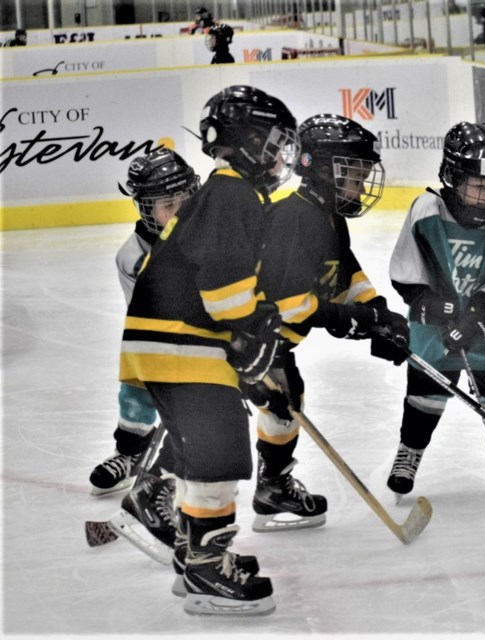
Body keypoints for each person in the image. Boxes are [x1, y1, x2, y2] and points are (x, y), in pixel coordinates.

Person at [120, 85, 299, 616]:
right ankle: (204, 568)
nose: (279, 155)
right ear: (245, 143)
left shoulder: (226, 192)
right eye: (272, 143)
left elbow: (219, 285)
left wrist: (249, 339)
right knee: (217, 457)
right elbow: (224, 290)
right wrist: (254, 328)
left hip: (177, 347)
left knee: (209, 454)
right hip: (180, 347)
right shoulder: (230, 193)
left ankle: (194, 559)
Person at [246, 113, 410, 530]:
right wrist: (359, 320)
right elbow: (295, 305)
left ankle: (272, 488)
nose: (361, 183)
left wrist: (380, 313)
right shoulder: (294, 220)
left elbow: (342, 272)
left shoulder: (325, 215)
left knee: (287, 401)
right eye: (353, 173)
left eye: (362, 173)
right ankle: (176, 498)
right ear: (319, 168)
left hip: (270, 340)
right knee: (257, 409)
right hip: (246, 339)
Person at [386, 121, 485, 499]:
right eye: (479, 185)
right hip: (433, 329)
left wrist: (475, 323)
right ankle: (410, 450)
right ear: (454, 177)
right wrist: (429, 306)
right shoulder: (427, 211)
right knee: (426, 394)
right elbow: (407, 267)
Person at [89, 149, 200, 498]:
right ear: (146, 209)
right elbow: (150, 324)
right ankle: (130, 449)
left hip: (219, 338)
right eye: (168, 205)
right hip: (163, 338)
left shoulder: (216, 237)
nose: (179, 212)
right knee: (138, 375)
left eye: (186, 200)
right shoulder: (133, 256)